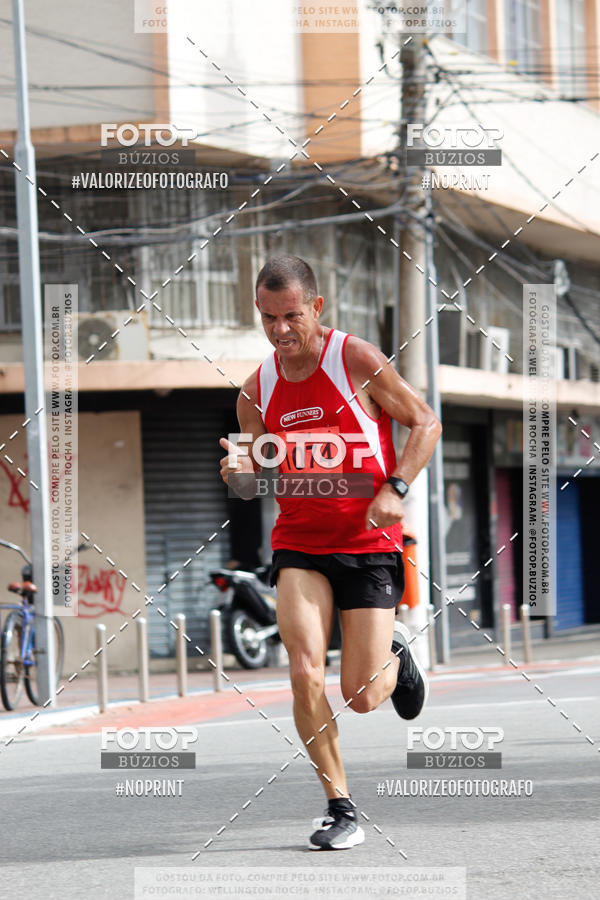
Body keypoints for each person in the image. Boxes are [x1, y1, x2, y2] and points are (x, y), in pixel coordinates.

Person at [219, 255, 442, 850]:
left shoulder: (356, 360)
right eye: (269, 317)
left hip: (368, 543)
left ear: (316, 307)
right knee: (303, 671)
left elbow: (425, 422)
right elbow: (253, 480)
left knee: (362, 696)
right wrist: (238, 472)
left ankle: (396, 657)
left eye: (292, 315)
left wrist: (396, 488)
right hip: (300, 544)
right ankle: (340, 807)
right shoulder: (255, 390)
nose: (280, 329)